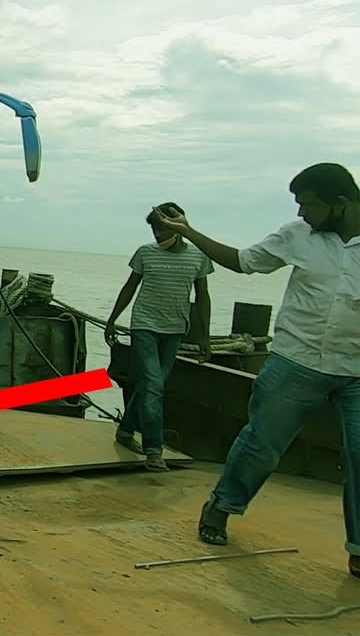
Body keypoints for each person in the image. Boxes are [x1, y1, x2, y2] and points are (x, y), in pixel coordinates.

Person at [151, 162, 360, 576]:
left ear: (340, 203)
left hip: (356, 370)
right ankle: (222, 506)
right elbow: (242, 261)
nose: (301, 212)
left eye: (308, 204)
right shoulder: (297, 235)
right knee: (262, 444)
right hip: (296, 360)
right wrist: (188, 230)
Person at [104, 202, 214, 471]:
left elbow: (202, 297)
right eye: (154, 229)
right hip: (144, 326)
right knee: (154, 386)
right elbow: (130, 286)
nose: (157, 235)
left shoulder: (198, 257)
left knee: (150, 387)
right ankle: (154, 450)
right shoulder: (146, 253)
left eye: (162, 229)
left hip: (175, 329)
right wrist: (112, 319)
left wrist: (205, 338)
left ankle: (126, 431)